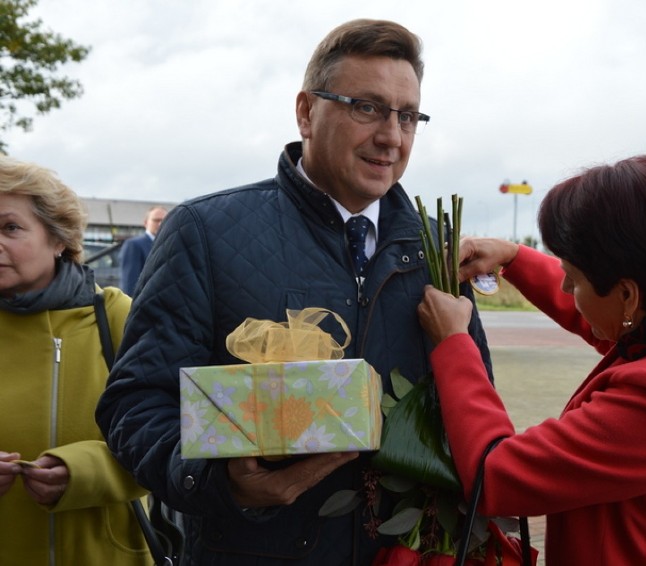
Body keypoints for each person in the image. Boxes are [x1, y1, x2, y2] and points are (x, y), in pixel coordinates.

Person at [95, 19, 492, 566]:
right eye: (366, 107)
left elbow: (475, 406)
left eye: (408, 116)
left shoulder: (438, 252)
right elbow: (134, 404)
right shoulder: (204, 232)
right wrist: (219, 482)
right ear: (307, 111)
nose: (391, 136)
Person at [417, 155, 646, 565]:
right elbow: (618, 325)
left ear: (628, 294)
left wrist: (453, 342)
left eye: (573, 277)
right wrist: (513, 257)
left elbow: (496, 474)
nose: (564, 283)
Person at [0, 155, 151, 564]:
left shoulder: (119, 316)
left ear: (59, 237)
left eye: (10, 227)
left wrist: (85, 473)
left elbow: (173, 437)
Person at [119, 205, 167, 295]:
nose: (160, 224)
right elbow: (130, 282)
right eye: (156, 220)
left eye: (164, 220)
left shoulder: (169, 244)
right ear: (145, 223)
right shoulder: (134, 245)